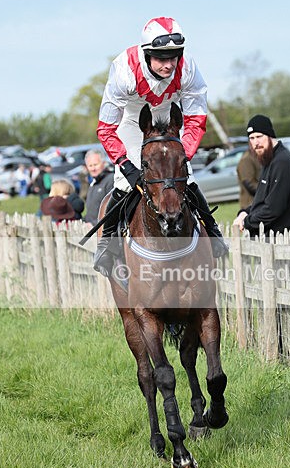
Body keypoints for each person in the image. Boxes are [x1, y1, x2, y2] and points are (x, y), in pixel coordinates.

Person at [93, 15, 228, 277]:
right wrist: (125, 165)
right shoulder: (124, 71)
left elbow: (196, 119)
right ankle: (108, 242)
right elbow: (106, 129)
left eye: (173, 57)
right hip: (133, 120)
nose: (169, 65)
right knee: (124, 182)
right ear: (147, 55)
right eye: (161, 58)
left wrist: (183, 156)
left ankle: (212, 232)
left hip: (169, 119)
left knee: (185, 179)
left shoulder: (188, 69)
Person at [232, 115, 290, 237]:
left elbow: (273, 208)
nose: (256, 142)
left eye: (259, 136)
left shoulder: (282, 162)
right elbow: (262, 200)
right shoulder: (269, 160)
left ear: (270, 135)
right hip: (271, 240)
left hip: (283, 242)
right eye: (252, 138)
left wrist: (247, 222)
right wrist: (244, 213)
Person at [83, 149, 114, 227]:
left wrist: (93, 224)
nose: (93, 169)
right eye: (90, 166)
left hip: (104, 232)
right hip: (91, 231)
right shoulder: (93, 183)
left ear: (103, 163)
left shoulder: (111, 180)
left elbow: (112, 210)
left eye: (95, 164)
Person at [236, 146, 262, 210]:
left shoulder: (259, 157)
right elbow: (250, 185)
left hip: (260, 204)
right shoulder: (246, 159)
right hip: (251, 205)